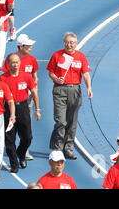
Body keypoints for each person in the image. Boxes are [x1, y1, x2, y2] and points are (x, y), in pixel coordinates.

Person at [47, 31, 93, 159]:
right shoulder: (57, 55)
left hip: (75, 90)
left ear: (76, 43)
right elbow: (50, 72)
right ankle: (57, 148)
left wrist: (89, 87)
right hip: (60, 90)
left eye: (72, 42)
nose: (69, 45)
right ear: (64, 43)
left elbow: (86, 74)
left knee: (72, 121)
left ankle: (68, 148)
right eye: (67, 42)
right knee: (61, 121)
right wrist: (56, 79)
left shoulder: (81, 57)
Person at [0, 53, 40, 172]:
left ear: (20, 63)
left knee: (27, 137)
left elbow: (34, 93)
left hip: (23, 108)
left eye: (17, 62)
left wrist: (37, 109)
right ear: (8, 64)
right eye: (12, 62)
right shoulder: (3, 78)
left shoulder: (26, 76)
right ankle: (14, 164)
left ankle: (21, 154)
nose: (15, 64)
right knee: (9, 139)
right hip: (7, 109)